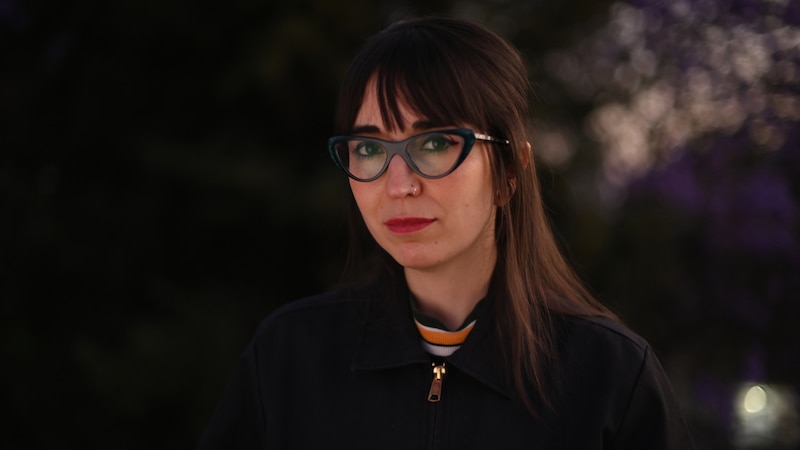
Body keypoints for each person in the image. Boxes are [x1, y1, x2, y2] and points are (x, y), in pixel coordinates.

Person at [196, 16, 695, 449]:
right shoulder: (289, 357)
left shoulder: (609, 376)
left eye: (433, 142)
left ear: (510, 171)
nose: (399, 185)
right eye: (369, 149)